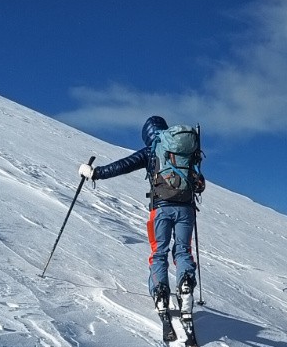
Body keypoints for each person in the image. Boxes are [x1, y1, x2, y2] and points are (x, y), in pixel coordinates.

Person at [79, 115, 205, 311]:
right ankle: (186, 283)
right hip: (186, 210)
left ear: (147, 134)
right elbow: (199, 181)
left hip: (160, 210)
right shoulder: (186, 151)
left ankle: (160, 291)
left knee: (159, 252)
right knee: (183, 250)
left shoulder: (152, 150)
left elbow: (123, 165)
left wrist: (95, 173)